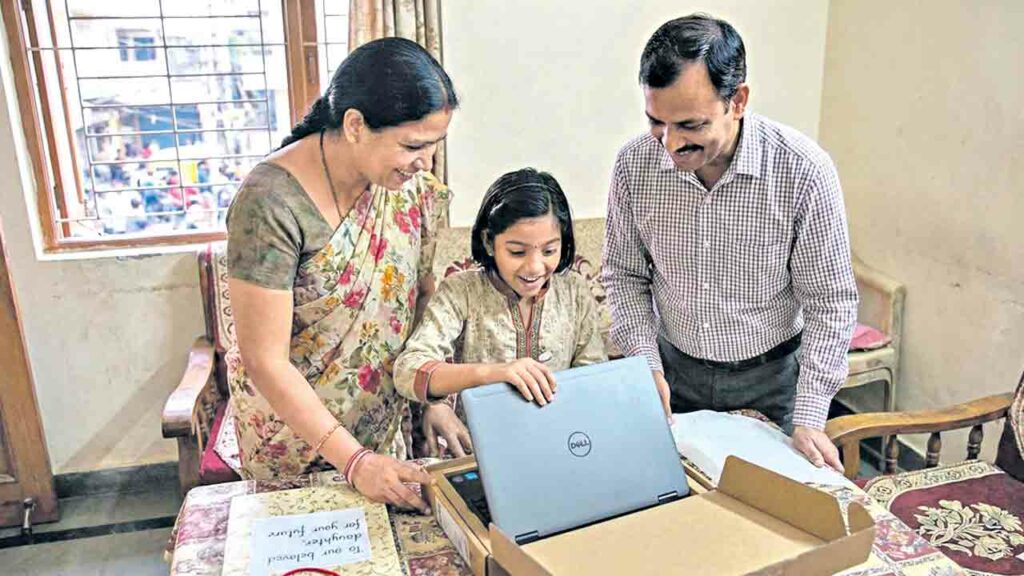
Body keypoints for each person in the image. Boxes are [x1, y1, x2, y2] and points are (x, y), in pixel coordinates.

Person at [602, 14, 857, 471]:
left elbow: (830, 301)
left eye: (690, 125)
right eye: (656, 122)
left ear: (737, 101)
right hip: (672, 372)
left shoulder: (802, 171)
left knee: (769, 524)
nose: (671, 143)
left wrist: (811, 411)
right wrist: (646, 365)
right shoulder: (633, 167)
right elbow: (624, 275)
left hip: (774, 381)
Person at [225, 37, 464, 513]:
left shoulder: (410, 190)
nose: (425, 163)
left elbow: (419, 301)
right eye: (412, 145)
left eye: (434, 146)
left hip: (383, 441)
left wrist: (431, 398)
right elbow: (263, 358)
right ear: (354, 125)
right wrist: (353, 462)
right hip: (293, 445)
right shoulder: (270, 202)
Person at [394, 168, 607, 438]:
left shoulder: (574, 292)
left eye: (549, 250)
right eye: (517, 252)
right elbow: (407, 370)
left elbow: (594, 379)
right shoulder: (462, 292)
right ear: (489, 242)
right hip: (478, 450)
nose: (534, 267)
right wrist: (491, 374)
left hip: (560, 444)